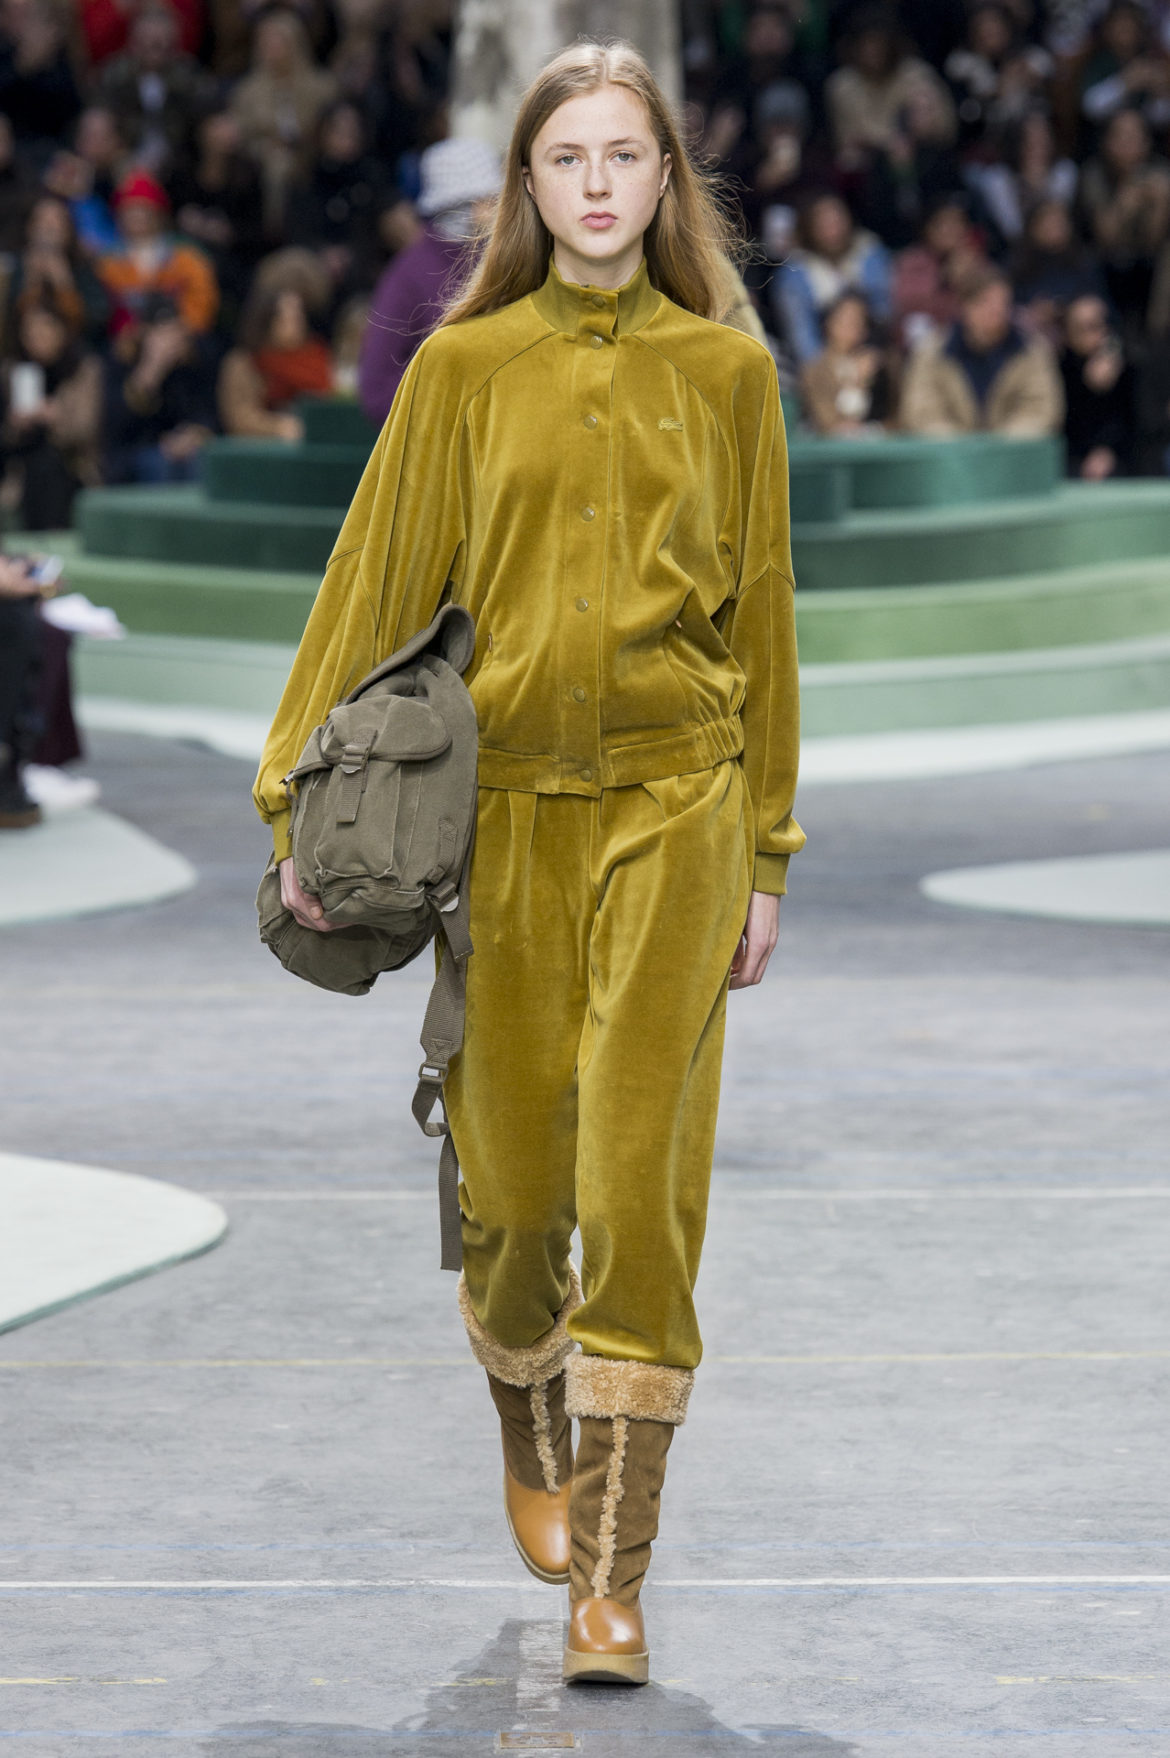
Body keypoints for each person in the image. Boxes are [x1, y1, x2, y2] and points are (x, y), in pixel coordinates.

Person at [254, 37, 802, 1686]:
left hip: (678, 804)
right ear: (527, 186)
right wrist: (293, 800)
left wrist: (767, 847)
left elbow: (764, 618)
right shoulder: (464, 369)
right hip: (500, 821)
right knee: (508, 1202)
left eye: (625, 155)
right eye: (568, 157)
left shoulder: (729, 373)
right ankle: (526, 1402)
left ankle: (611, 1580)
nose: (597, 183)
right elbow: (372, 582)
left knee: (638, 1191)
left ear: (664, 179)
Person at [358, 135, 501, 425]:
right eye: (488, 200)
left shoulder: (505, 261)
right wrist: (449, 410)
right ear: (461, 205)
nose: (498, 210)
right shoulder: (409, 275)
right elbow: (376, 387)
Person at [900, 265, 1065, 434]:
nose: (996, 310)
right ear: (965, 306)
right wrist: (960, 444)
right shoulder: (931, 352)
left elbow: (1042, 408)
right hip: (949, 448)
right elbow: (921, 410)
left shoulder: (1032, 352)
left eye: (1003, 302)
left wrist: (1003, 442)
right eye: (985, 301)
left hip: (1014, 448)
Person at [2, 294, 102, 528]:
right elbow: (6, 438)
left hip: (73, 466)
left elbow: (87, 430)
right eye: (30, 333)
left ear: (60, 332)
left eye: (44, 331)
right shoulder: (12, 371)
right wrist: (15, 424)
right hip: (22, 468)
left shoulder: (82, 370)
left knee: (50, 468)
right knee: (37, 469)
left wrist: (55, 417)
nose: (37, 339)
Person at [102, 297, 218, 483]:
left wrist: (195, 434)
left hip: (184, 446)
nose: (169, 340)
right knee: (161, 465)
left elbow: (206, 412)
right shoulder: (121, 360)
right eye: (160, 332)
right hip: (135, 451)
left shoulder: (195, 360)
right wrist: (151, 370)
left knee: (199, 461)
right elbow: (118, 426)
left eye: (173, 331)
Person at [1079, 105, 1170, 332]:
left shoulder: (1159, 173)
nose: (1128, 144)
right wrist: (1126, 198)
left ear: (1147, 142)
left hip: (1150, 266)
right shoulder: (1094, 175)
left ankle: (1157, 334)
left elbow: (1153, 242)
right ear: (1106, 141)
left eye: (1135, 136)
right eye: (1120, 136)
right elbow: (1106, 238)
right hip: (1105, 264)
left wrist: (1160, 206)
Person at [772, 191, 892, 363]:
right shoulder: (793, 273)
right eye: (824, 224)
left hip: (873, 351)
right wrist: (830, 368)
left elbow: (884, 313)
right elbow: (801, 336)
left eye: (837, 220)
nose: (833, 230)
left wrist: (872, 353)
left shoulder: (870, 252)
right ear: (809, 228)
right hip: (821, 361)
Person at [97, 168, 219, 336]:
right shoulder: (107, 260)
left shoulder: (186, 254)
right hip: (126, 338)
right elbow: (103, 307)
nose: (137, 217)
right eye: (129, 210)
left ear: (158, 213)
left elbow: (202, 300)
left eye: (143, 209)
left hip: (180, 335)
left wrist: (182, 329)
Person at [218, 283, 332, 439]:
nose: (297, 325)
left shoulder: (314, 358)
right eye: (287, 319)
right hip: (259, 448)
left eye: (298, 317)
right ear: (266, 321)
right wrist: (278, 426)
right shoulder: (243, 363)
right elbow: (239, 417)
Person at [800, 289, 897, 432]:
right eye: (844, 320)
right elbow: (828, 422)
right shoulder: (815, 371)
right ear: (829, 323)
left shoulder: (882, 365)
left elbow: (894, 417)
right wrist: (856, 382)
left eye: (858, 321)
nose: (851, 327)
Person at [1059, 290, 1133, 475]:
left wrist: (1108, 449)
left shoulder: (1126, 367)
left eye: (1094, 326)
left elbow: (1133, 425)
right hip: (1070, 460)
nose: (1089, 336)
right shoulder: (1060, 369)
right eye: (1080, 328)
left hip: (1119, 461)